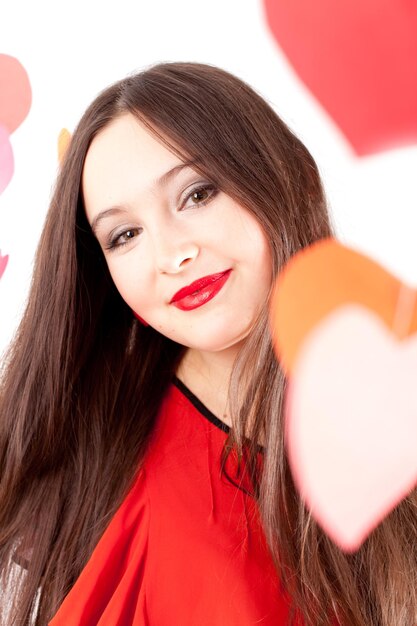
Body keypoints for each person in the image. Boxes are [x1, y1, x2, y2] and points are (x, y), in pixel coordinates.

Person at [0, 62, 415, 626]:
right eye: (124, 235)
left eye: (197, 194)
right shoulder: (129, 485)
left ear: (276, 175)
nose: (173, 254)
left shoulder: (390, 390)